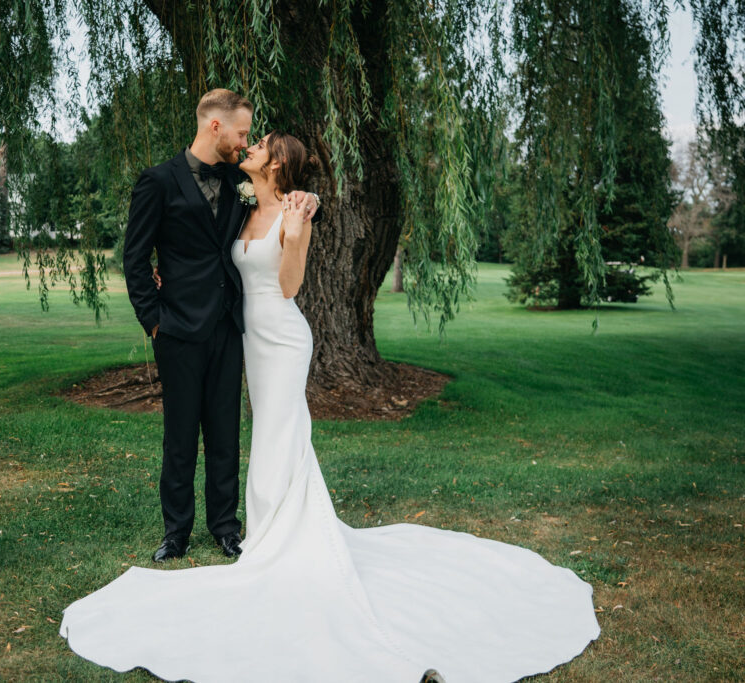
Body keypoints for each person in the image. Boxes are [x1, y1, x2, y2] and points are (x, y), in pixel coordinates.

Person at [60, 130, 600, 682]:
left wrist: (298, 231)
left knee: (280, 430)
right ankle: (264, 531)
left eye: (260, 144)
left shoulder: (295, 216)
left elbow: (290, 287)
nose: (249, 148)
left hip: (284, 338)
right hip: (245, 336)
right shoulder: (243, 199)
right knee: (271, 431)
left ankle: (277, 540)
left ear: (276, 166)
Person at [121, 89, 318, 563]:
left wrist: (309, 197)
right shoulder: (158, 181)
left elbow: (282, 199)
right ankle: (176, 532)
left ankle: (226, 527)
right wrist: (154, 322)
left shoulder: (239, 180)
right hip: (177, 329)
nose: (244, 141)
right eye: (243, 132)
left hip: (231, 327)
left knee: (226, 433)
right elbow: (134, 258)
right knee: (180, 435)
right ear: (216, 127)